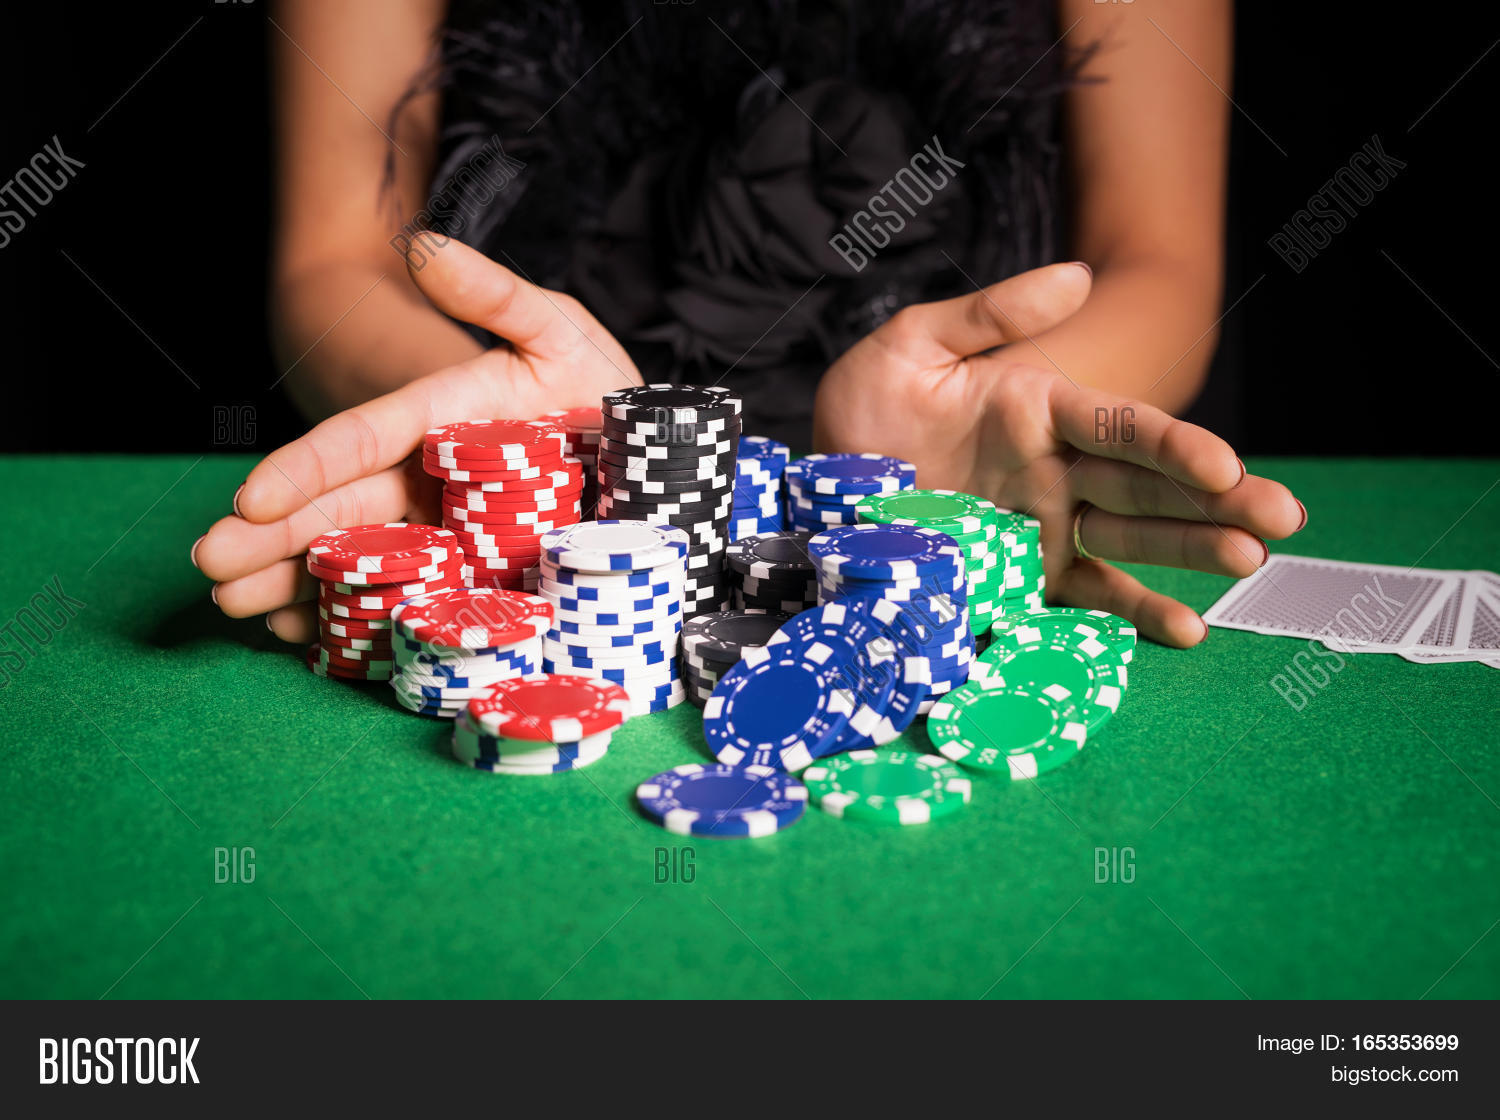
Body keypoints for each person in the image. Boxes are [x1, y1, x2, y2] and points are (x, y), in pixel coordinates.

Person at [193, 0, 1304, 649]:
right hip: (563, 425)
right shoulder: (552, 449)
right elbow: (335, 256)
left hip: (947, 443)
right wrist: (508, 442)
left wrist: (1024, 395)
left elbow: (1158, 259)